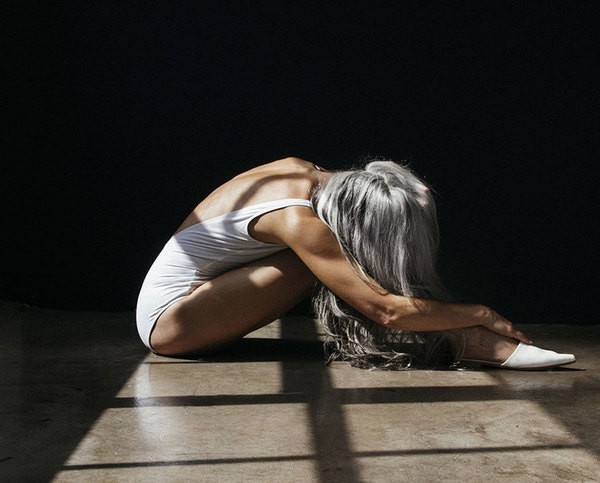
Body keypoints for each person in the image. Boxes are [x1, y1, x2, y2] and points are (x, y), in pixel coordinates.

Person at [136, 157, 575, 370]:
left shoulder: (299, 169)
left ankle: (459, 341)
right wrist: (479, 313)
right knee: (325, 265)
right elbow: (384, 308)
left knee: (331, 262)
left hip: (202, 299)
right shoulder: (298, 222)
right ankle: (470, 342)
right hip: (171, 324)